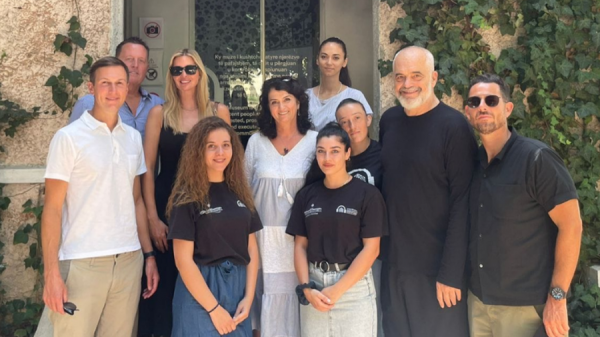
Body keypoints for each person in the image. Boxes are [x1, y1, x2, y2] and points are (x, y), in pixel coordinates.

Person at [40, 57, 159, 337]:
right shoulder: (68, 138)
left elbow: (137, 201)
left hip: (128, 261)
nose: (113, 90)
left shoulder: (131, 138)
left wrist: (149, 255)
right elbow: (53, 209)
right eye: (105, 83)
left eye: (120, 83)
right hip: (83, 261)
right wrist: (51, 274)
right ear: (92, 88)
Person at [464, 73, 582, 337]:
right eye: (475, 101)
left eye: (491, 100)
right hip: (479, 304)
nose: (482, 106)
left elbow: (572, 226)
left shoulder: (537, 159)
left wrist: (557, 297)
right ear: (468, 112)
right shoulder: (471, 163)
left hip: (525, 309)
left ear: (508, 108)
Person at [379, 46, 476, 337]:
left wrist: (451, 274)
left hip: (436, 273)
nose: (407, 84)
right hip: (394, 267)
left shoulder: (454, 127)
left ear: (433, 78)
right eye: (400, 77)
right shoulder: (389, 121)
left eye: (415, 75)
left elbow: (464, 204)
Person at [139, 49, 231, 336]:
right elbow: (147, 168)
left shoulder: (218, 112)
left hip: (209, 209)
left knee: (206, 284)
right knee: (166, 288)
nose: (183, 75)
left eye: (190, 69)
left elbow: (228, 164)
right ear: (171, 76)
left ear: (200, 74)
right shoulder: (159, 114)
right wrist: (152, 217)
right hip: (167, 210)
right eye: (177, 70)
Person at [287, 122, 386, 337]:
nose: (327, 158)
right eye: (321, 152)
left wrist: (337, 289)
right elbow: (300, 246)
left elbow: (372, 249)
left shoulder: (368, 195)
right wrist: (306, 288)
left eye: (335, 151)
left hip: (354, 289)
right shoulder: (306, 195)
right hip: (314, 288)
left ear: (347, 153)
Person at [167, 116, 261, 337]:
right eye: (212, 146)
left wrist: (248, 299)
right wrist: (213, 308)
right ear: (198, 151)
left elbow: (252, 250)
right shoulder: (187, 196)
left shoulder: (241, 192)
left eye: (225, 145)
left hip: (238, 291)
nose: (220, 152)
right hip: (200, 291)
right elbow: (183, 261)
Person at [245, 77, 317, 337]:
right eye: (274, 102)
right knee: (265, 313)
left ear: (299, 103)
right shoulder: (256, 143)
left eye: (287, 100)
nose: (281, 107)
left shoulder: (315, 141)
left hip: (301, 239)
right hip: (262, 240)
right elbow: (243, 189)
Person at [335, 98, 383, 337]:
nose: (351, 126)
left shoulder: (384, 155)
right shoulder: (337, 157)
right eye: (344, 122)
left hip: (377, 253)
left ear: (368, 119)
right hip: (345, 255)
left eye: (356, 118)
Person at [69, 37, 164, 139]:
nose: (135, 65)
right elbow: (72, 143)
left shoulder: (158, 105)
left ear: (147, 67)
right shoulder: (87, 103)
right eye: (129, 59)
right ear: (117, 62)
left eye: (141, 61)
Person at [306, 37, 373, 131]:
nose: (329, 62)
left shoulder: (355, 96)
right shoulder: (306, 96)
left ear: (344, 62)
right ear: (317, 60)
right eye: (324, 57)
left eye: (336, 58)